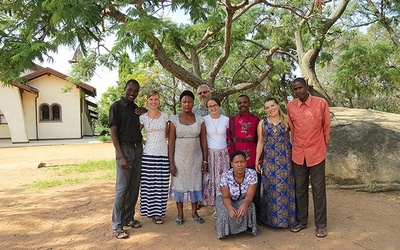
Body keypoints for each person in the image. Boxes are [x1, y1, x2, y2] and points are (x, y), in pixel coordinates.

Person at [287, 77, 331, 238]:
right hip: (298, 154)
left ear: (306, 87)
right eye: (295, 89)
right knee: (300, 189)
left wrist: (322, 146)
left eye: (300, 88)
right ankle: (301, 221)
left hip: (317, 153)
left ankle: (321, 225)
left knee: (319, 190)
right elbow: (292, 129)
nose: (298, 91)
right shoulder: (290, 106)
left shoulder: (321, 103)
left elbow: (326, 126)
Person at [109, 79, 146, 239]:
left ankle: (128, 217)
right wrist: (121, 156)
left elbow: (139, 126)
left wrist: (144, 112)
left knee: (134, 187)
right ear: (125, 89)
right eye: (130, 90)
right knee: (122, 188)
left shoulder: (136, 109)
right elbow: (113, 132)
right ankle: (117, 225)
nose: (132, 93)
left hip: (138, 149)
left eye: (135, 91)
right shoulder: (116, 107)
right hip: (124, 150)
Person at [168, 90, 208, 226]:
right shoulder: (173, 120)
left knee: (195, 183)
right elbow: (171, 142)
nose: (187, 104)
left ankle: (194, 212)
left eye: (189, 102)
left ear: (193, 103)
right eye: (184, 102)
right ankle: (180, 214)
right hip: (179, 158)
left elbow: (203, 141)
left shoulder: (200, 120)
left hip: (196, 158)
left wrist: (205, 160)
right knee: (179, 183)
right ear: (181, 103)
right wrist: (171, 163)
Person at [255, 97, 296, 228]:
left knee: (285, 188)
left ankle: (287, 220)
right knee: (270, 189)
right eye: (267, 107)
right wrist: (257, 160)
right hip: (269, 162)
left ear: (278, 106)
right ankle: (270, 220)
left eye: (272, 106)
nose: (270, 109)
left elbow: (294, 140)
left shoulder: (287, 121)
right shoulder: (262, 123)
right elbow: (260, 142)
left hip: (286, 161)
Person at [227, 94, 261, 224]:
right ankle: (238, 218)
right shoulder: (232, 120)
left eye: (245, 102)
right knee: (236, 189)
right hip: (237, 159)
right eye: (239, 103)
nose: (242, 105)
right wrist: (233, 157)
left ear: (249, 103)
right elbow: (229, 138)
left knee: (254, 189)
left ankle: (256, 217)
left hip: (251, 158)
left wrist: (259, 159)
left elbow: (259, 140)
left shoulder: (256, 120)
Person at [139, 90, 169, 225]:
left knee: (161, 184)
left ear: (159, 101)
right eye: (151, 99)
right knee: (149, 185)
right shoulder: (143, 117)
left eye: (156, 99)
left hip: (163, 154)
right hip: (149, 155)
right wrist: (144, 142)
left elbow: (168, 135)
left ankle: (159, 212)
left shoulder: (165, 117)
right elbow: (135, 132)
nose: (153, 102)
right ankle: (150, 212)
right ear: (147, 101)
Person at [216, 151, 260, 239]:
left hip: (242, 199)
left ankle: (248, 228)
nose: (240, 165)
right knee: (225, 211)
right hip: (225, 199)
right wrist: (230, 207)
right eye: (236, 162)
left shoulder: (252, 174)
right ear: (231, 164)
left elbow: (250, 196)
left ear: (246, 162)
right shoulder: (225, 176)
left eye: (242, 162)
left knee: (250, 206)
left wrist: (244, 205)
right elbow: (225, 197)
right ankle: (224, 231)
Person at [202, 97, 230, 216]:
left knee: (223, 180)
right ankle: (214, 206)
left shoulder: (226, 120)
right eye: (210, 106)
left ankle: (223, 205)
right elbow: (202, 138)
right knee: (212, 180)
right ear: (207, 108)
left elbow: (229, 137)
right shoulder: (204, 120)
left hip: (224, 154)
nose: (213, 108)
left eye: (215, 105)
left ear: (219, 106)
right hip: (211, 154)